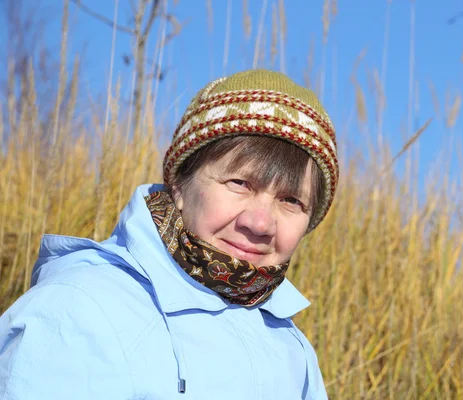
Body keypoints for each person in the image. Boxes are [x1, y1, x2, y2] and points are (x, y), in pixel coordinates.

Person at [0, 69, 338, 399]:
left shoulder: (291, 347)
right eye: (239, 183)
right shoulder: (79, 311)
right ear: (179, 183)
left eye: (292, 201)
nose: (261, 223)